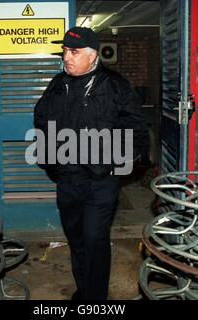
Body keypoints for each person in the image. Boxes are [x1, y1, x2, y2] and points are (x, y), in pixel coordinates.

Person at [33, 26, 149, 300]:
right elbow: (40, 118)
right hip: (68, 179)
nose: (66, 57)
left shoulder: (115, 86)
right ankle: (84, 290)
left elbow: (137, 130)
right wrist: (49, 160)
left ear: (93, 55)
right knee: (76, 238)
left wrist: (116, 164)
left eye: (74, 52)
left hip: (100, 182)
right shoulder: (58, 84)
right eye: (64, 51)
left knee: (95, 239)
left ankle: (95, 299)